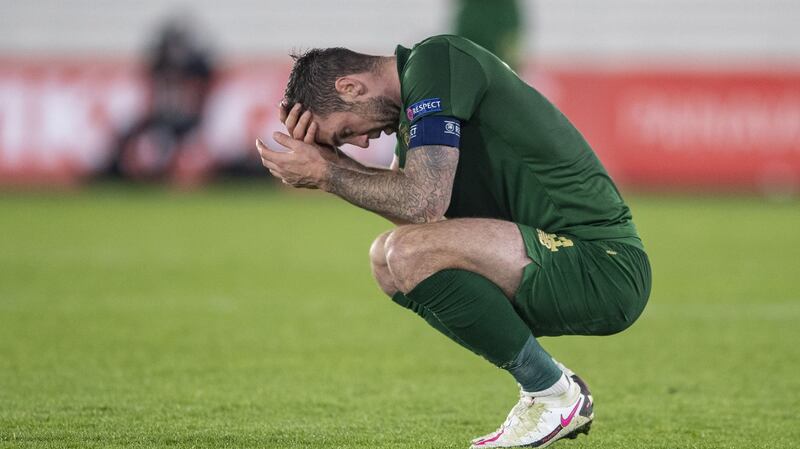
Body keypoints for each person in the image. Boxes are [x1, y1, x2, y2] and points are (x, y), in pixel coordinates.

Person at [256, 35, 651, 448]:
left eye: (346, 132)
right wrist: (332, 165)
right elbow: (420, 216)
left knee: (405, 250)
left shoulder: (435, 61)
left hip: (603, 263)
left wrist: (327, 173)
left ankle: (553, 395)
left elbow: (424, 201)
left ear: (351, 87)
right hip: (549, 260)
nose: (361, 143)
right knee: (386, 260)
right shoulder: (416, 115)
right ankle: (547, 390)